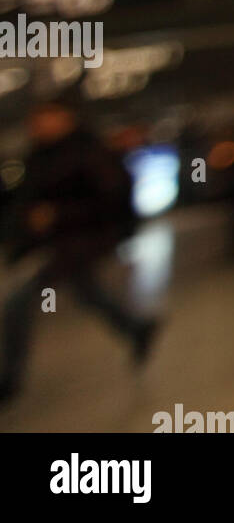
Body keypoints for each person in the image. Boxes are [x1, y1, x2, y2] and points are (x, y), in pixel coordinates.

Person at [0, 95, 159, 403]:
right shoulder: (40, 155)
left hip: (81, 243)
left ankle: (10, 379)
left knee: (18, 303)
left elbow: (109, 201)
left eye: (46, 116)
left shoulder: (90, 152)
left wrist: (59, 215)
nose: (40, 124)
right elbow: (27, 204)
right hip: (61, 245)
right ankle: (137, 328)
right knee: (89, 294)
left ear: (66, 118)